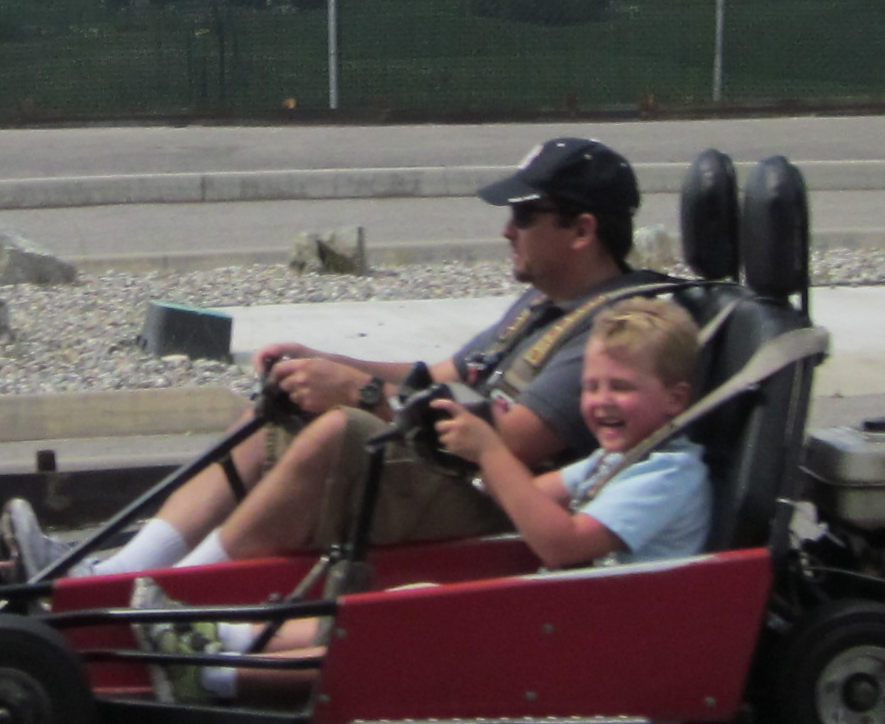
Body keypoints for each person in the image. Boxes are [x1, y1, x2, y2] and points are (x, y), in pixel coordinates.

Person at [0, 134, 664, 583]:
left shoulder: (608, 331)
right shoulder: (545, 302)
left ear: (582, 230)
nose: (506, 229)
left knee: (340, 433)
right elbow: (444, 377)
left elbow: (509, 444)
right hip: (452, 471)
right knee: (279, 409)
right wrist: (322, 362)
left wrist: (360, 396)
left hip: (502, 502)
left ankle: (170, 596)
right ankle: (113, 572)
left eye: (524, 215)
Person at [163, 292, 724, 695]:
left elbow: (561, 544)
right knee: (408, 599)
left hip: (614, 643)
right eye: (592, 387)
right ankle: (222, 633)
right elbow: (529, 497)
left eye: (621, 388)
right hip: (580, 615)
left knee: (414, 631)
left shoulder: (666, 474)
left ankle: (216, 675)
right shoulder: (618, 459)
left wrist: (489, 451)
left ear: (676, 400)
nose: (600, 402)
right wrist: (458, 457)